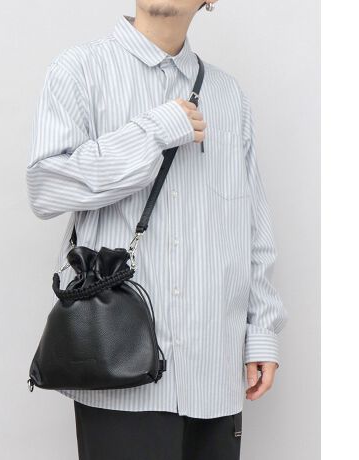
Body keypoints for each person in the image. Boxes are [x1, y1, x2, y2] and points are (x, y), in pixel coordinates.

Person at [26, 1, 288, 459]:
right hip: (118, 372)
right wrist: (153, 131)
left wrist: (261, 329)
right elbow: (46, 188)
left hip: (214, 368)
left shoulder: (228, 94)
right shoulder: (79, 69)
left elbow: (252, 223)